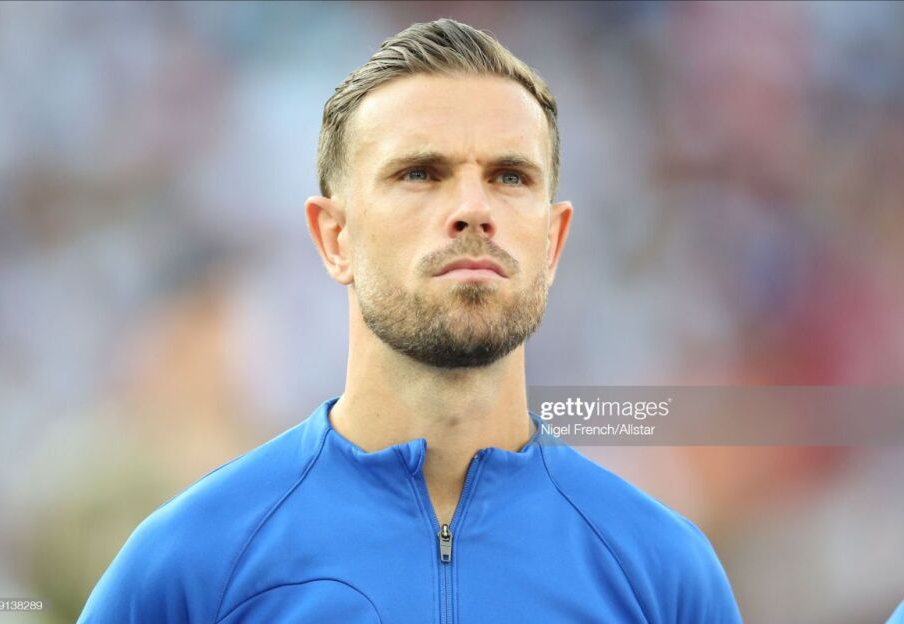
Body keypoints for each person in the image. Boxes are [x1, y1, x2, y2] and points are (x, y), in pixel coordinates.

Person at [78, 18, 742, 623]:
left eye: (510, 177)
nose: (473, 208)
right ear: (334, 237)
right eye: (421, 173)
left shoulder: (663, 575)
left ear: (553, 242)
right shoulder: (192, 566)